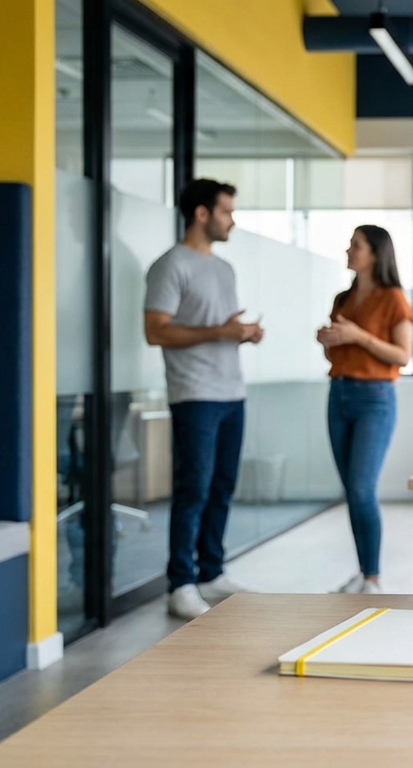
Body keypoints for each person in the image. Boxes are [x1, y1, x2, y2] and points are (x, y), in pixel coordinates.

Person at [144, 178, 263, 620]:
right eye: (226, 211)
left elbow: (219, 327)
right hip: (194, 394)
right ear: (201, 213)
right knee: (192, 488)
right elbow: (155, 330)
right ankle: (181, 583)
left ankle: (211, 572)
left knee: (221, 486)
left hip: (232, 391)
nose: (231, 219)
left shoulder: (224, 269)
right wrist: (220, 331)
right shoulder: (170, 265)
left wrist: (242, 333)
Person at [317, 226, 413, 594]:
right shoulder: (342, 298)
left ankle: (372, 578)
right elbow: (337, 353)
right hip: (339, 394)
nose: (349, 249)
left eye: (355, 245)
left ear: (375, 254)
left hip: (375, 398)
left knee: (361, 488)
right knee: (350, 490)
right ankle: (362, 574)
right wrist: (330, 341)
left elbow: (402, 355)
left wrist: (358, 336)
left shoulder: (393, 299)